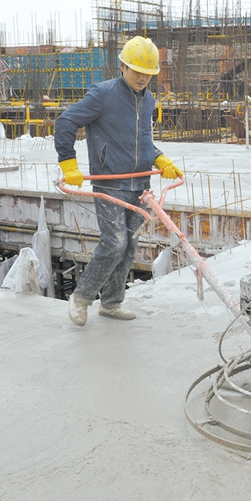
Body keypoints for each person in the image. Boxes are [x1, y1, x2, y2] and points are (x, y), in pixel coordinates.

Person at [54, 36, 182, 326]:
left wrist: (159, 158)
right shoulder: (103, 94)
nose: (142, 78)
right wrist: (68, 162)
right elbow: (65, 122)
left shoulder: (148, 98)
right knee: (114, 244)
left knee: (129, 248)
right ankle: (82, 298)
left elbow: (140, 141)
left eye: (148, 73)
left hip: (139, 185)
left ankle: (111, 304)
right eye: (137, 71)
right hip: (110, 183)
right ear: (122, 65)